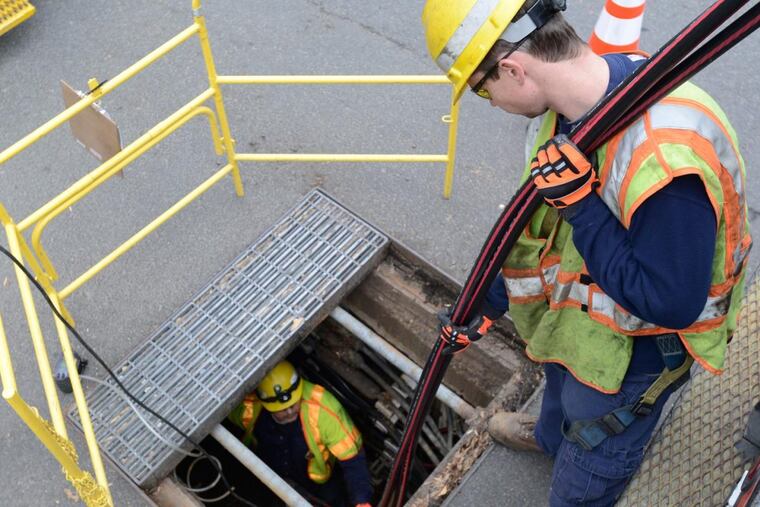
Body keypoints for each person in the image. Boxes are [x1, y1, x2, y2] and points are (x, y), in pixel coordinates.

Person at [422, 0, 750, 505]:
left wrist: (584, 207)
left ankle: (581, 472)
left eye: (482, 88)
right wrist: (483, 303)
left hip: (634, 356)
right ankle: (552, 437)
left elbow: (670, 301)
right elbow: (535, 222)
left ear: (513, 68)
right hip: (578, 331)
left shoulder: (663, 160)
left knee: (590, 460)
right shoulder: (570, 111)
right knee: (562, 393)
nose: (488, 101)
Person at [228, 360, 373, 506]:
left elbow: (352, 458)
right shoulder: (249, 407)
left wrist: (361, 500)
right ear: (265, 404)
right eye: (282, 409)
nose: (290, 411)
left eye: (293, 404)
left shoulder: (323, 410)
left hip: (317, 481)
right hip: (270, 477)